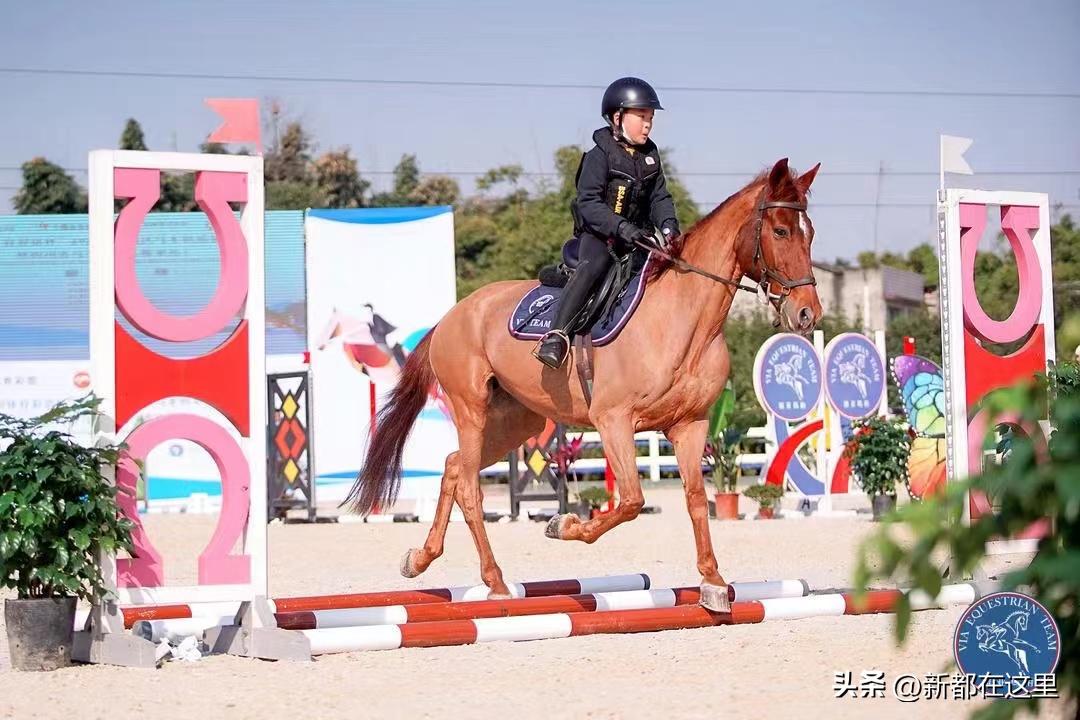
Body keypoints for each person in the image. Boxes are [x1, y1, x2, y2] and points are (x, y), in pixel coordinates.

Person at [533, 76, 681, 369]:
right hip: (601, 238)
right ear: (618, 117)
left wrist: (668, 226)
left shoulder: (651, 156)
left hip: (638, 240)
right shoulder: (598, 156)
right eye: (641, 117)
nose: (648, 124)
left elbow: (660, 198)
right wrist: (621, 227)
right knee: (594, 267)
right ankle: (557, 335)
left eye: (650, 118)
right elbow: (589, 203)